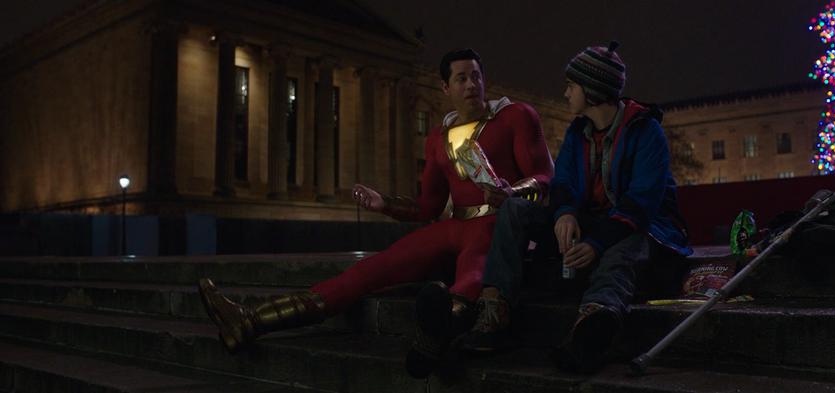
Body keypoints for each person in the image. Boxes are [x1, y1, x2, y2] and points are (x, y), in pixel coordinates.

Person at [197, 48, 554, 378]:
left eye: (476, 76)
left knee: (473, 276)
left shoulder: (515, 116)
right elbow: (428, 205)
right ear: (445, 87)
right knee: (367, 271)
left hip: (495, 224)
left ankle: (440, 340)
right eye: (461, 78)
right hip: (453, 225)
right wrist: (384, 202)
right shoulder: (437, 138)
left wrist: (511, 192)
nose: (471, 84)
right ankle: (250, 319)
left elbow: (544, 177)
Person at [460, 42, 692, 373]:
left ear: (592, 90)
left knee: (626, 240)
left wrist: (594, 244)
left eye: (571, 86)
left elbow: (641, 204)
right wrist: (565, 211)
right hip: (592, 222)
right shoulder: (577, 131)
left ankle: (594, 322)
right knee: (514, 209)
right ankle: (496, 310)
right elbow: (564, 184)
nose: (565, 93)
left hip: (643, 227)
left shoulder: (645, 130)